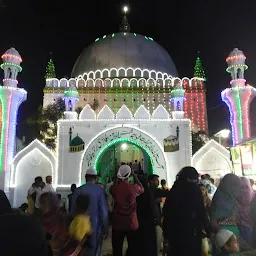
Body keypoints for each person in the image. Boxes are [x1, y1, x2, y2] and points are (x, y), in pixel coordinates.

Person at [163, 166, 209, 256]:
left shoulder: (174, 191)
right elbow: (201, 212)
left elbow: (167, 213)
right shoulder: (195, 191)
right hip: (192, 232)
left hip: (175, 233)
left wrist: (167, 235)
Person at [72, 167, 108, 256]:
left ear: (85, 177)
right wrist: (105, 228)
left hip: (79, 226)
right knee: (93, 251)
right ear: (96, 178)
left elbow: (72, 210)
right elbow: (103, 212)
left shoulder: (78, 190)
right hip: (95, 226)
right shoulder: (99, 190)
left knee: (79, 250)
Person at [110, 164, 144, 256]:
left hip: (118, 223)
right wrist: (134, 175)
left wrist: (117, 177)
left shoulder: (115, 188)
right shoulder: (134, 188)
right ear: (129, 175)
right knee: (132, 248)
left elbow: (111, 189)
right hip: (131, 223)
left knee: (117, 249)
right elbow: (142, 188)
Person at [210, 173, 241, 238]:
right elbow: (213, 221)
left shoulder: (232, 197)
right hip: (223, 234)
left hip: (232, 232)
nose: (237, 188)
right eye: (235, 185)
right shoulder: (219, 198)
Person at [148, 175, 169, 255]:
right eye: (156, 180)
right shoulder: (150, 191)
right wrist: (159, 199)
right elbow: (151, 202)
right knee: (156, 242)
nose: (158, 181)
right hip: (154, 220)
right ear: (151, 181)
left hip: (156, 219)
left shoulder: (155, 190)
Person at [238, 177, 253, 244]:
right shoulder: (235, 199)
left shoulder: (254, 197)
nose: (244, 190)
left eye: (246, 187)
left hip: (252, 227)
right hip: (239, 228)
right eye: (241, 187)